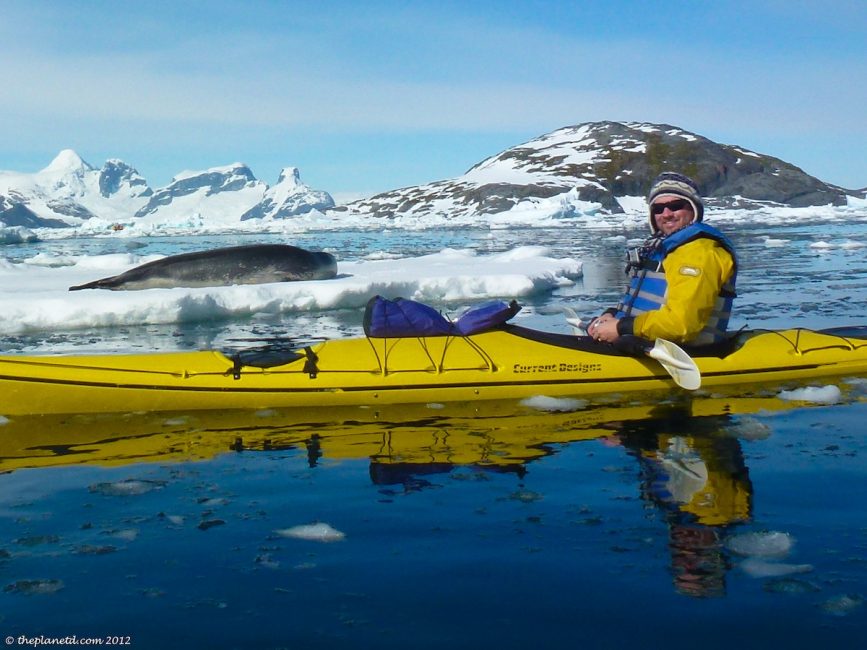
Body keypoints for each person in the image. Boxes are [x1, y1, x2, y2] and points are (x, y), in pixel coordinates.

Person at [589, 172, 737, 347]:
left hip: (682, 352)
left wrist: (621, 327)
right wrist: (613, 315)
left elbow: (681, 325)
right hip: (641, 343)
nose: (666, 214)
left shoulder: (699, 253)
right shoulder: (665, 248)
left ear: (693, 208)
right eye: (658, 209)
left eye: (675, 206)